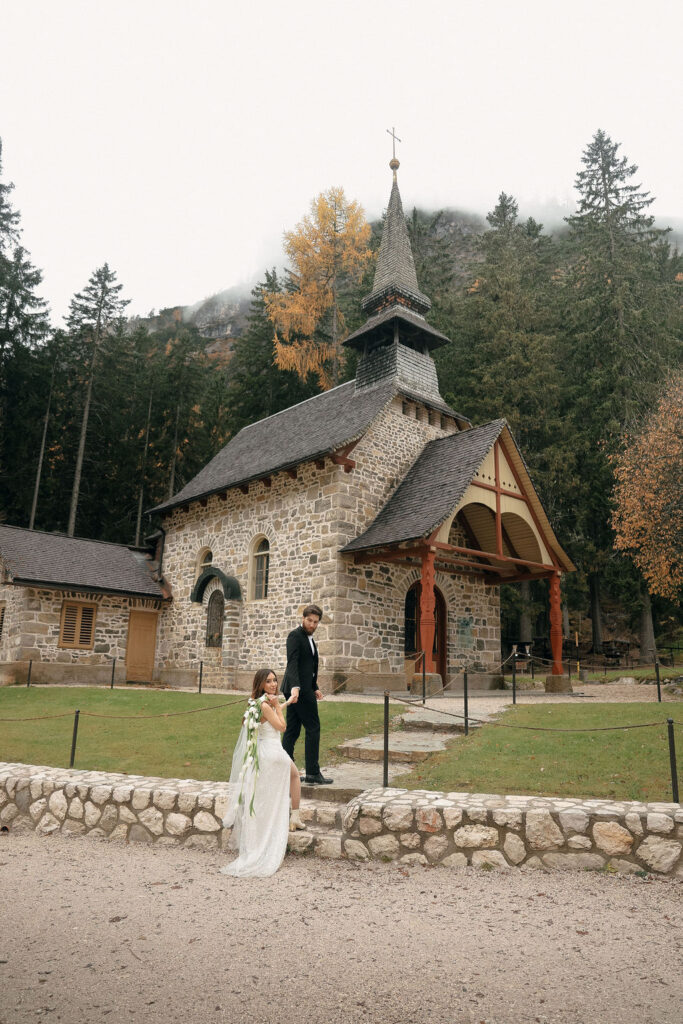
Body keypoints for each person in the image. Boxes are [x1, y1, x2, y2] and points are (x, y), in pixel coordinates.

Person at [220, 668, 304, 878]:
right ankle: (294, 817)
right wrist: (279, 707)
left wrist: (285, 703)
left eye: (275, 680)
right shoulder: (267, 705)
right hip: (273, 751)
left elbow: (268, 717)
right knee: (293, 777)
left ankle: (295, 815)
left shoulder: (255, 703)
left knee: (292, 777)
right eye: (269, 681)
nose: (274, 684)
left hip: (265, 751)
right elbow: (282, 726)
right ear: (260, 684)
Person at [281, 604, 333, 785]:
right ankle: (312, 773)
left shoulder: (309, 639)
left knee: (292, 731)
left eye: (315, 622)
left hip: (304, 687)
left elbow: (308, 667)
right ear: (303, 619)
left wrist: (315, 686)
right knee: (313, 728)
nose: (312, 624)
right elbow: (293, 663)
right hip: (299, 690)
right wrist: (296, 687)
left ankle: (286, 771)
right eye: (309, 620)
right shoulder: (295, 636)